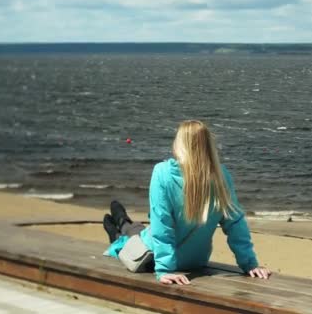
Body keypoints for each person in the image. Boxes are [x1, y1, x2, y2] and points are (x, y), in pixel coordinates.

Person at [103, 120, 271, 285]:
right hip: (195, 261)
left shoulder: (162, 173)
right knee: (136, 229)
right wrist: (250, 263)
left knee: (127, 236)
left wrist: (165, 270)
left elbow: (162, 226)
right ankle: (120, 219)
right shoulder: (222, 177)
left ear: (179, 144)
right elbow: (235, 224)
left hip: (152, 256)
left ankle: (117, 224)